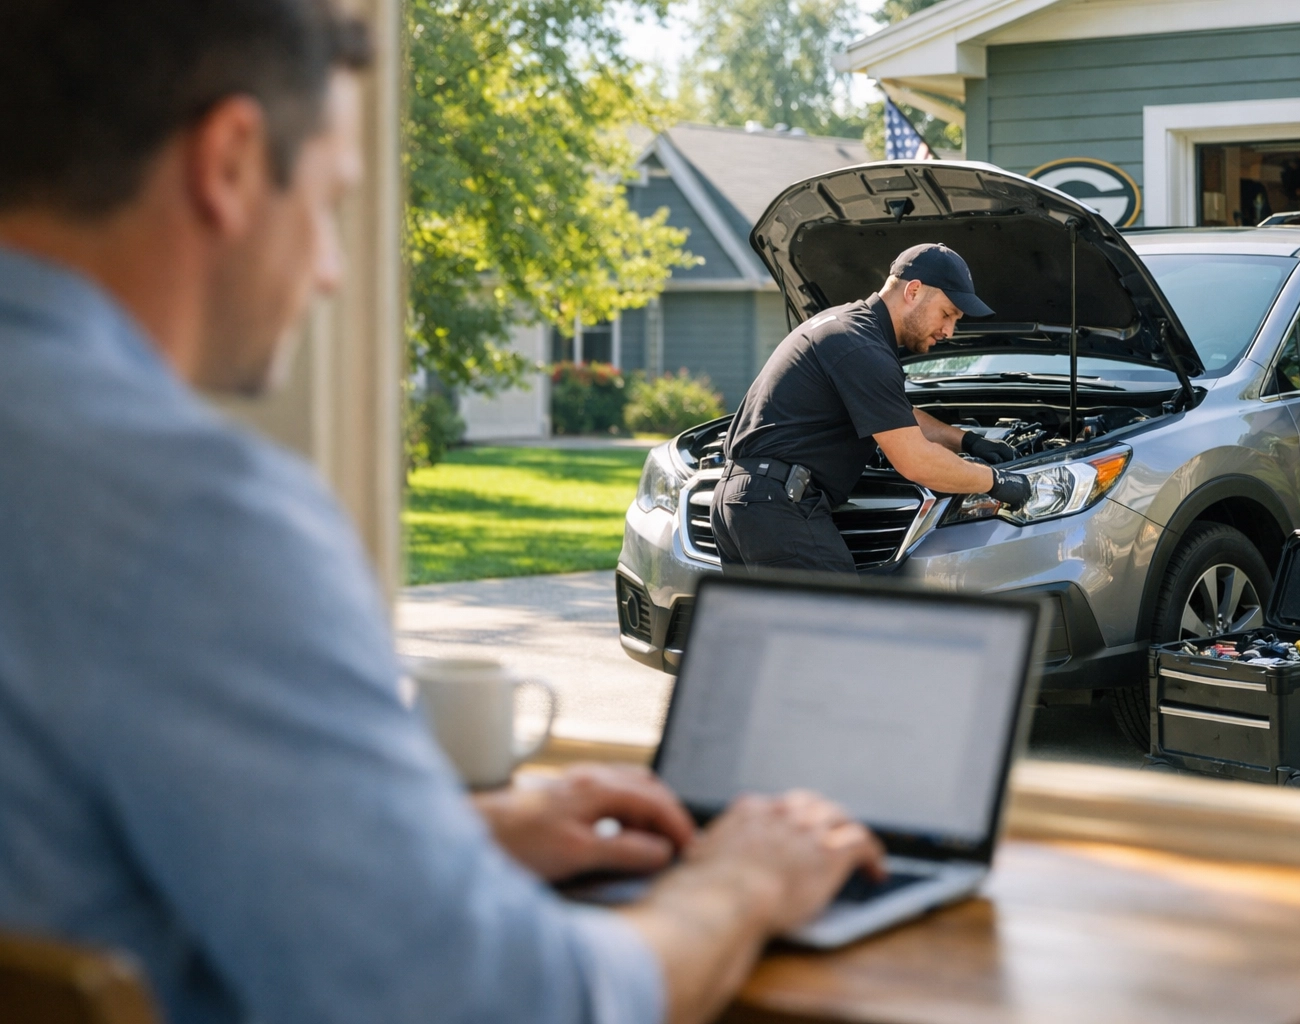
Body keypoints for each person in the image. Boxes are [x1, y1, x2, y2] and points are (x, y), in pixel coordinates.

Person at [0, 4, 882, 1024]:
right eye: (331, 202)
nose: (331, 268)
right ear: (232, 163)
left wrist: (440, 836)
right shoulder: (188, 520)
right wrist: (741, 882)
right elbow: (499, 1004)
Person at [710, 244, 1032, 573]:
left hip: (741, 501)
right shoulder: (862, 346)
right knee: (841, 624)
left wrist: (968, 441)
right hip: (776, 508)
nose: (949, 331)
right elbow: (917, 462)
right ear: (914, 290)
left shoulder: (843, 325)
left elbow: (898, 416)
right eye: (947, 314)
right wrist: (995, 480)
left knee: (762, 626)